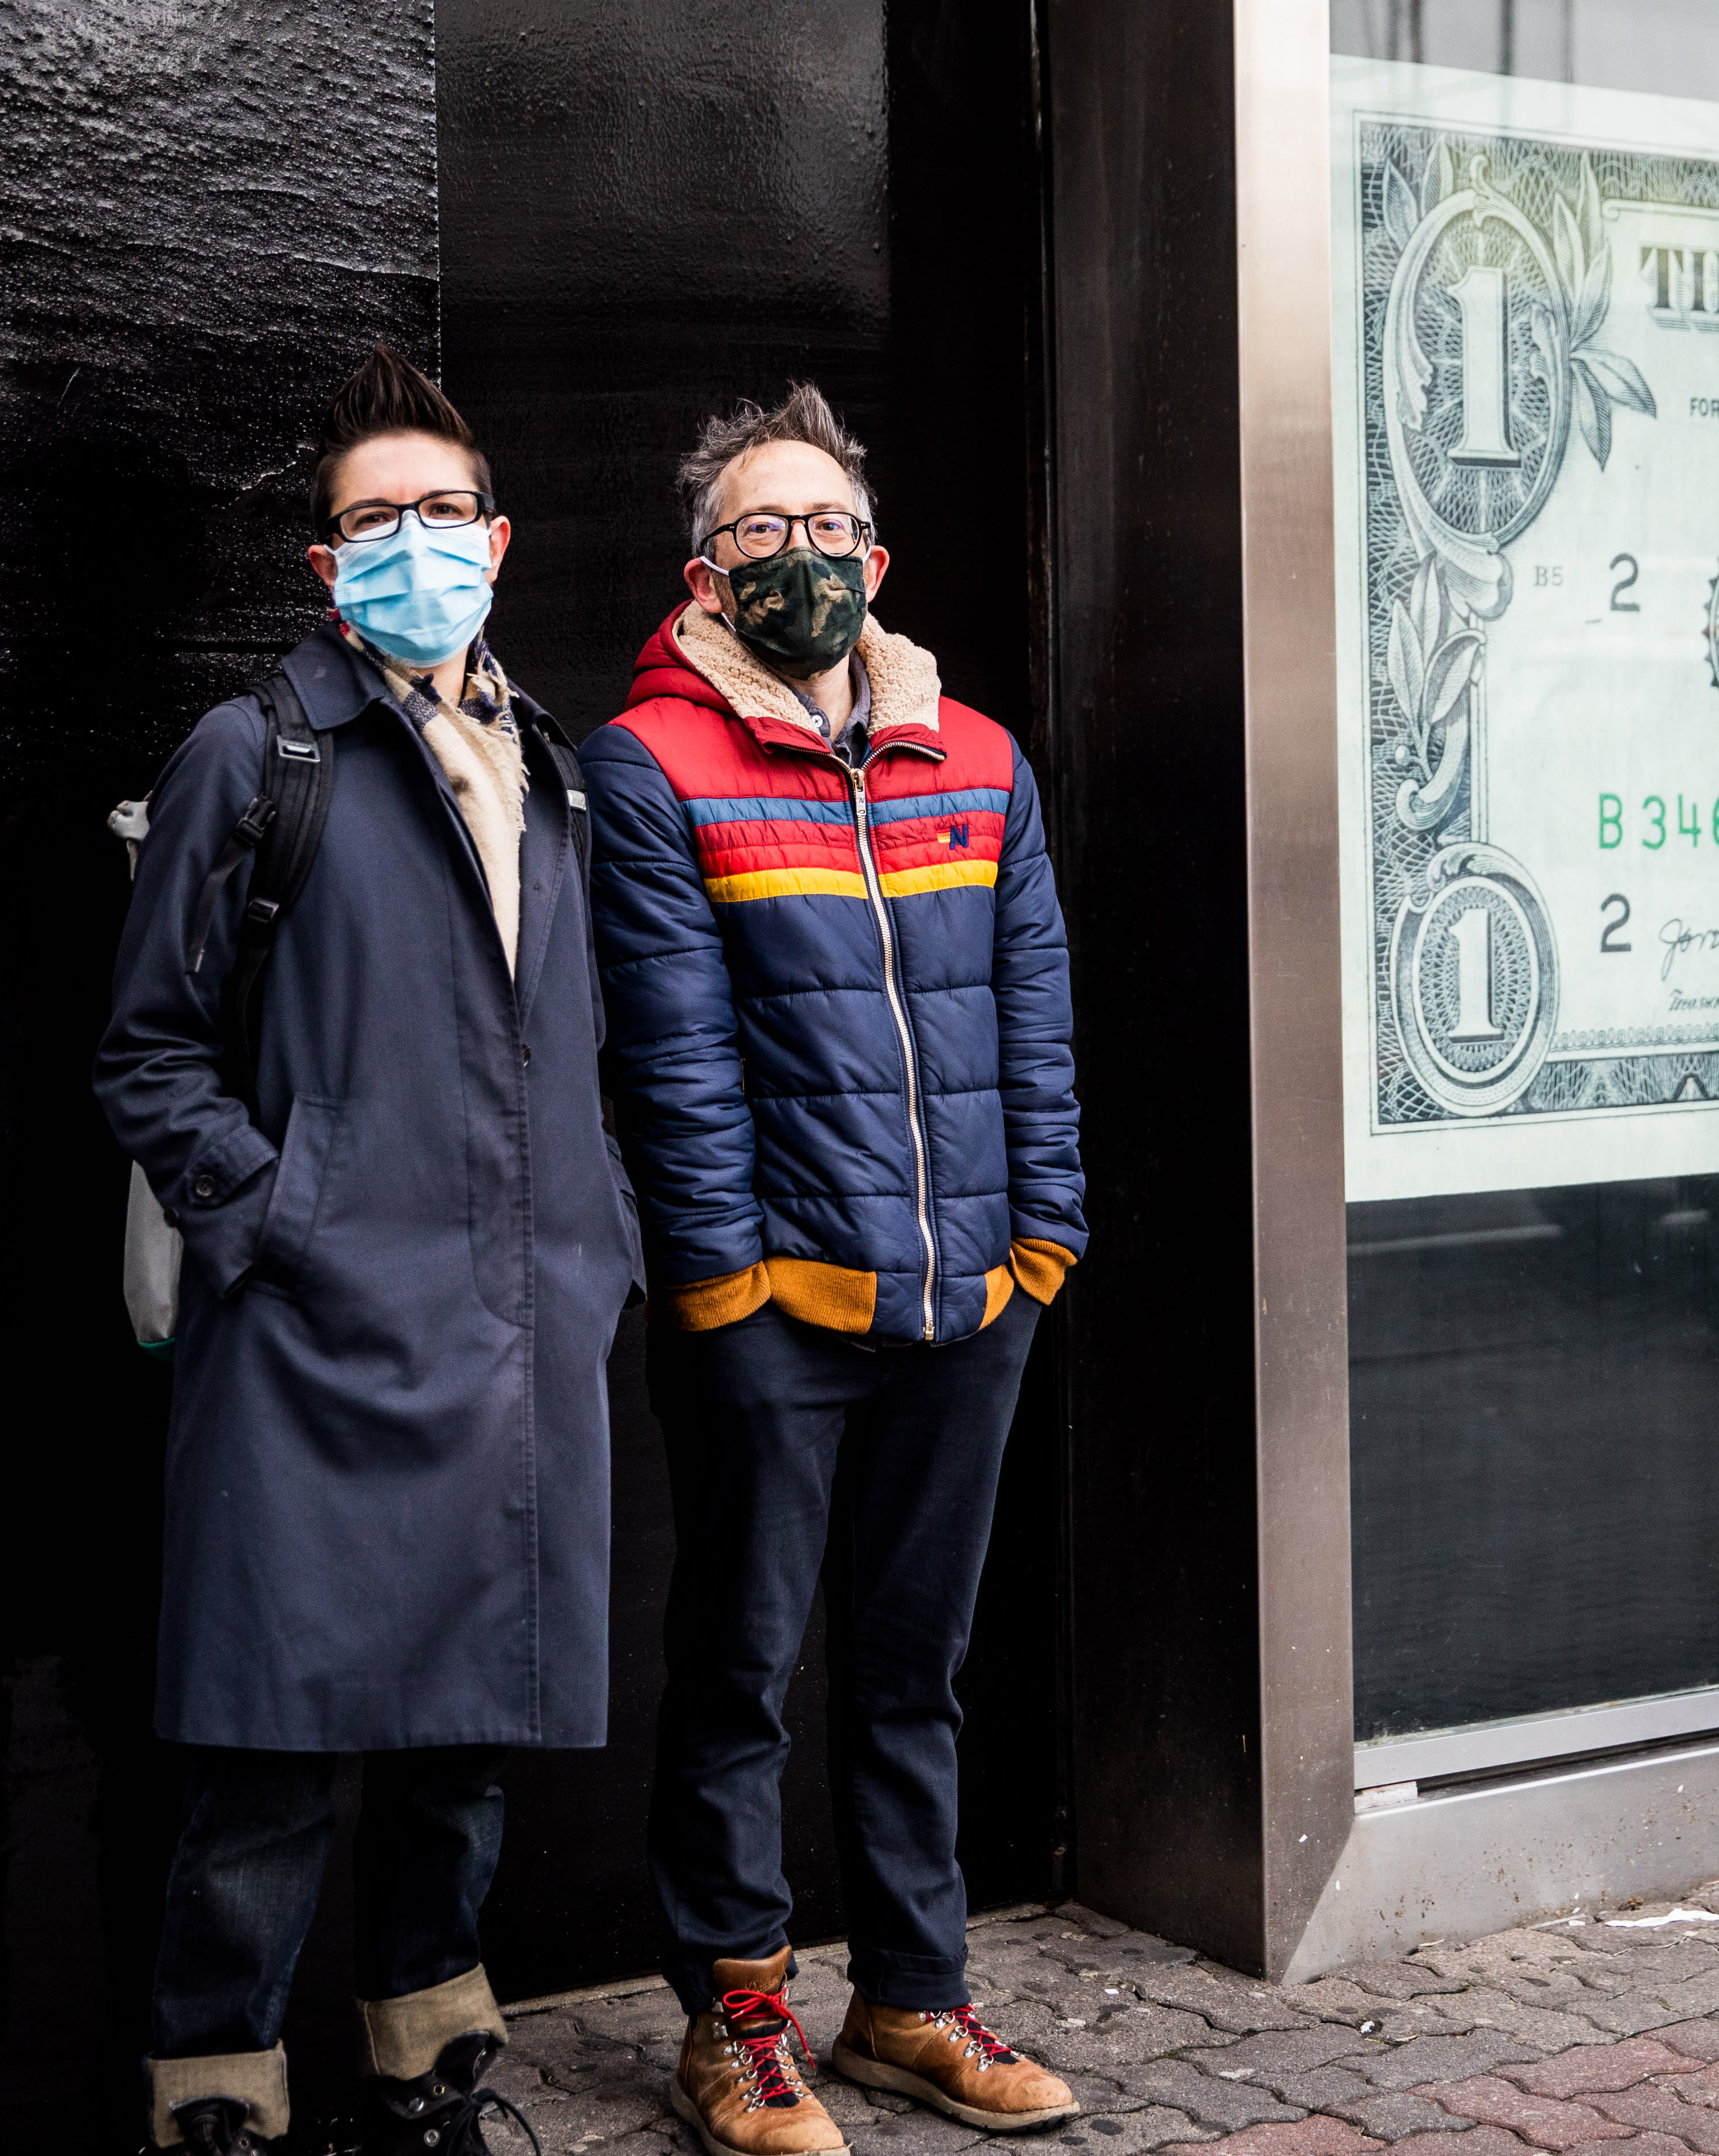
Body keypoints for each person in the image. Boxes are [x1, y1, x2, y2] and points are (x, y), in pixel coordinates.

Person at [97, 346, 636, 2156]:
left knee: (457, 1759)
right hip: (312, 1338)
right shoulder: (253, 754)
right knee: (261, 1774)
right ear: (324, 566)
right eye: (372, 518)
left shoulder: (546, 765)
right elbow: (146, 1051)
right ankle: (216, 2103)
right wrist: (276, 1212)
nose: (414, 541)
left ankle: (426, 2078)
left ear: (500, 534)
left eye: (441, 511)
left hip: (507, 1334)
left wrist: (603, 1240)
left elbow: (571, 1040)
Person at [584, 385, 1087, 2156]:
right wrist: (719, 1284)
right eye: (754, 533)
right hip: (774, 1313)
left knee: (909, 1660)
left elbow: (1034, 1020)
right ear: (701, 576)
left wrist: (1042, 1242)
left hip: (965, 1302)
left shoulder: (983, 757)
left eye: (822, 529)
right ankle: (735, 2021)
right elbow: (669, 1058)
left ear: (874, 558)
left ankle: (908, 1994)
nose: (792, 556)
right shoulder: (648, 766)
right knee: (738, 1667)